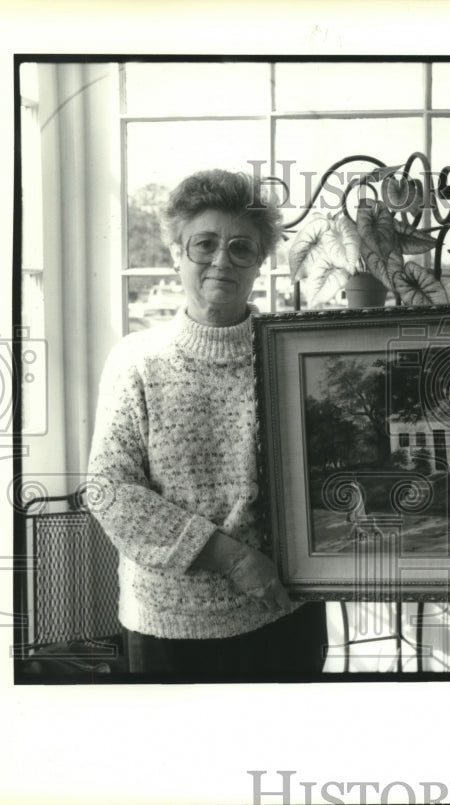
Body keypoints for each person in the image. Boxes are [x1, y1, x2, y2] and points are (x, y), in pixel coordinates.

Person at [87, 168, 326, 680]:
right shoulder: (137, 361)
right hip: (169, 631)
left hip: (284, 615)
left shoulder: (295, 357)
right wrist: (236, 560)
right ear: (177, 254)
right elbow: (109, 491)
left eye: (242, 247)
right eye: (204, 244)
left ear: (259, 263)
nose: (222, 259)